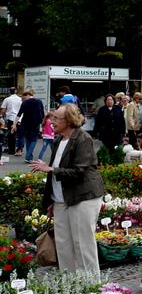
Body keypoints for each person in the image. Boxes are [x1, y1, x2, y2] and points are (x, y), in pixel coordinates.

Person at [31, 103, 105, 276]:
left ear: (69, 121)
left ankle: (91, 285)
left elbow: (80, 171)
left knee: (82, 244)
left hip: (83, 197)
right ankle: (70, 284)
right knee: (63, 245)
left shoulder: (83, 138)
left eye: (56, 118)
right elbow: (55, 172)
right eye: (52, 117)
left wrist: (51, 169)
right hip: (61, 200)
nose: (52, 121)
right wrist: (51, 200)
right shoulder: (59, 140)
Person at [15, 89, 45, 162]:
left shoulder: (25, 103)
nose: (24, 98)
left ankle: (29, 157)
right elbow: (43, 113)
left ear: (28, 95)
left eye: (24, 96)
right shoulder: (39, 101)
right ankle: (28, 156)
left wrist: (14, 123)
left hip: (25, 123)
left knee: (28, 139)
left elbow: (19, 114)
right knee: (34, 140)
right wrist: (43, 124)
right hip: (36, 123)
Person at [1, 87, 22, 155]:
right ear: (16, 91)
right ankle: (19, 150)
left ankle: (11, 150)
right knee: (19, 135)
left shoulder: (7, 99)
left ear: (10, 92)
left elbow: (3, 109)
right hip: (19, 119)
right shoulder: (20, 99)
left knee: (11, 135)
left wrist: (2, 116)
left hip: (11, 118)